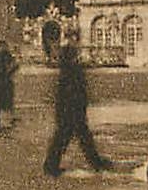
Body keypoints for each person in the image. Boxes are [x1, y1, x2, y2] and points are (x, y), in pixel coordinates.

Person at [44, 42, 111, 175]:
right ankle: (52, 166)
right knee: (74, 137)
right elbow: (77, 90)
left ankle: (95, 162)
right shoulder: (73, 69)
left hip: (67, 109)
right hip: (73, 109)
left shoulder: (67, 69)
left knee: (73, 137)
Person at [0, 45, 19, 129]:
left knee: (8, 100)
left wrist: (10, 72)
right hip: (0, 81)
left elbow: (15, 65)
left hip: (5, 81)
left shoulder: (7, 56)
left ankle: (10, 116)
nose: (2, 48)